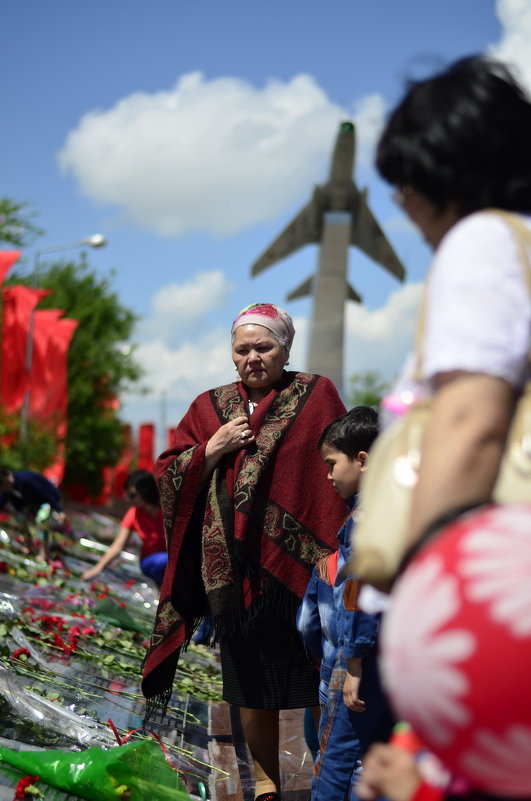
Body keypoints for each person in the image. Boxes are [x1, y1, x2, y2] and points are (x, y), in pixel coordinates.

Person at [360, 54, 531, 796]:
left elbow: (468, 424)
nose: (400, 203)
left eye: (405, 180)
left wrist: (426, 601)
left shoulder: (483, 241)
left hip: (473, 622)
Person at [142, 302, 346, 801]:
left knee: (315, 674)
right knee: (249, 681)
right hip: (232, 573)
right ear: (231, 354)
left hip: (303, 572)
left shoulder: (317, 394)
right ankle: (265, 783)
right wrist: (211, 449)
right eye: (243, 349)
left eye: (264, 347)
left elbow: (341, 461)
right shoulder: (207, 407)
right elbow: (166, 473)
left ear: (286, 349)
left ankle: (327, 777)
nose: (253, 357)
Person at [297, 407, 393, 801]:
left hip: (356, 662)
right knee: (376, 763)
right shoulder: (398, 511)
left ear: (363, 460)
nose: (328, 474)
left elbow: (357, 591)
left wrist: (352, 660)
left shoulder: (363, 519)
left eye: (332, 463)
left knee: (336, 765)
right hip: (391, 662)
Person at [82, 470, 168, 588]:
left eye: (133, 495)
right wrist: (97, 568)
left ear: (145, 491)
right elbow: (118, 546)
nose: (130, 500)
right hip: (151, 562)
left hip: (172, 560)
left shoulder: (167, 509)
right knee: (165, 561)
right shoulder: (133, 513)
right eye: (128, 496)